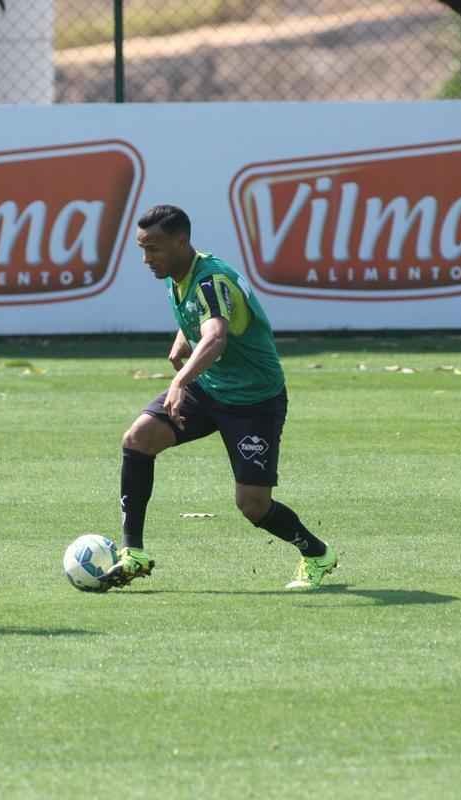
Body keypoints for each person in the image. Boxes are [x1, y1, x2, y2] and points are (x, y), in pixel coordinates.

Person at [102, 204, 337, 591]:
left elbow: (215, 335)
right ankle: (134, 552)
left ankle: (316, 553)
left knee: (253, 505)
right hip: (209, 387)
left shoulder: (213, 280)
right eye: (142, 249)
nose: (146, 259)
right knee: (138, 439)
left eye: (154, 248)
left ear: (181, 242)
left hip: (253, 400)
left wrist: (179, 381)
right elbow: (198, 322)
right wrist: (180, 344)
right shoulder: (176, 272)